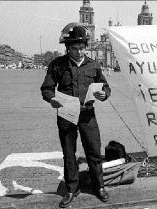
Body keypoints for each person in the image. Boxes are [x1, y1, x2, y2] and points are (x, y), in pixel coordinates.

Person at [40, 22, 111, 208]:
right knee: (69, 153)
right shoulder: (57, 65)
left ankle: (99, 186)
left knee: (94, 151)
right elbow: (47, 88)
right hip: (66, 114)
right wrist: (51, 99)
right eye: (74, 48)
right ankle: (72, 189)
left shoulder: (94, 65)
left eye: (81, 48)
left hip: (88, 114)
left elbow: (105, 86)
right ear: (67, 48)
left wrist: (104, 94)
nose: (79, 52)